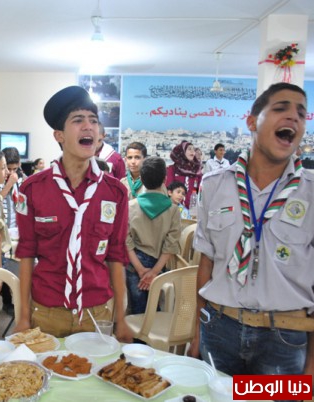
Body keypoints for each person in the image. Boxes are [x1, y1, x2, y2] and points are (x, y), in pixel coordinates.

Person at [188, 82, 314, 381]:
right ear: (252, 122)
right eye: (281, 108)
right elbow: (206, 263)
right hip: (219, 327)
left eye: (301, 113)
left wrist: (311, 370)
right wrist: (197, 332)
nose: (293, 117)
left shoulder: (310, 192)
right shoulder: (214, 184)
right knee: (215, 399)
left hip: (284, 338)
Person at [13, 86, 132, 341]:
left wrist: (121, 319)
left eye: (93, 121)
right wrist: (23, 316)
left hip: (97, 312)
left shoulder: (115, 193)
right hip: (46, 312)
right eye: (78, 120)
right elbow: (26, 255)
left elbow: (116, 256)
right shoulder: (31, 189)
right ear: (59, 135)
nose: (89, 126)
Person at [126, 157, 181, 314]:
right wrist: (154, 271)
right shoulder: (173, 210)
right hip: (159, 263)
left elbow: (126, 241)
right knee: (155, 308)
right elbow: (171, 245)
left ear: (141, 179)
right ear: (165, 179)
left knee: (137, 308)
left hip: (134, 265)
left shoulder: (130, 207)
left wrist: (140, 270)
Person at [0, 146, 26, 315]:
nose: (11, 172)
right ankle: (6, 301)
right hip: (2, 231)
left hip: (18, 232)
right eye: (8, 169)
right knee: (3, 268)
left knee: (17, 268)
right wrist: (9, 184)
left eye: (14, 169)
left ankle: (19, 299)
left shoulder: (24, 181)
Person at [165, 140, 202, 208]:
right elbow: (168, 189)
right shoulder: (172, 169)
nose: (192, 151)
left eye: (193, 149)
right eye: (189, 149)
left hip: (191, 210)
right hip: (173, 208)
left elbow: (199, 190)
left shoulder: (197, 172)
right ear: (182, 152)